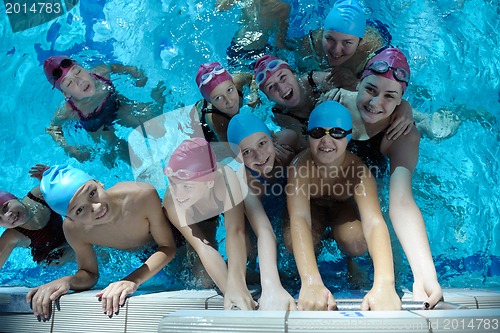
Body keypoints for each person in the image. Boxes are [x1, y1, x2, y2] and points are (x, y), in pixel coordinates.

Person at [328, 48, 443, 308]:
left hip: (367, 182)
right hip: (329, 184)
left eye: (389, 97)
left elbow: (402, 202)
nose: (375, 102)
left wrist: (425, 274)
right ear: (358, 83)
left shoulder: (402, 134)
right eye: (370, 90)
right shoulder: (336, 102)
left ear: (401, 100)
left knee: (370, 235)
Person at [286, 100, 401, 311]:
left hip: (343, 208)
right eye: (318, 132)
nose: (326, 140)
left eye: (337, 132)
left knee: (355, 241)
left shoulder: (358, 171)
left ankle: (350, 260)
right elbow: (299, 218)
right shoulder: (300, 168)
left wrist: (385, 284)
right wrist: (311, 281)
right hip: (314, 208)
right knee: (291, 241)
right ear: (308, 135)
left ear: (349, 136)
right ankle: (311, 266)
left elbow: (374, 222)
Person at [26, 164, 176, 321]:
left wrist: (131, 280)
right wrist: (67, 281)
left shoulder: (141, 195)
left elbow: (167, 246)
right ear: (70, 218)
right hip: (141, 253)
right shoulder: (73, 230)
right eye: (79, 210)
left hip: (173, 237)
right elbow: (90, 273)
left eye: (92, 193)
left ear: (99, 183)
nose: (96, 207)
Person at [162, 138, 256, 310]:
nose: (178, 193)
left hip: (211, 206)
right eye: (173, 183)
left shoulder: (226, 179)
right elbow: (202, 247)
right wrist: (230, 291)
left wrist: (238, 284)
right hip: (190, 220)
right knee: (202, 278)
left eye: (187, 187)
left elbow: (235, 231)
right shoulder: (173, 201)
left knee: (249, 251)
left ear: (209, 182)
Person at [253, 54, 412, 149]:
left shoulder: (314, 80)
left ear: (294, 74)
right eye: (271, 87)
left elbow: (366, 94)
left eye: (283, 77)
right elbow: (306, 145)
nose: (282, 88)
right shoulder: (280, 115)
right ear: (268, 97)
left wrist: (404, 106)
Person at [227, 113, 297, 310]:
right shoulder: (245, 183)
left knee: (294, 239)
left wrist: (294, 160)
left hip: (284, 202)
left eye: (262, 143)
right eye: (246, 152)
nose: (259, 156)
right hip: (254, 213)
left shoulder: (289, 140)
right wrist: (271, 286)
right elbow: (264, 230)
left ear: (273, 138)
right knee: (248, 251)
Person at [43, 56, 166, 165]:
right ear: (66, 94)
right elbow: (52, 128)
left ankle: (160, 101)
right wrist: (68, 147)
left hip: (118, 106)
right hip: (97, 126)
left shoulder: (101, 72)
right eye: (69, 84)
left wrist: (138, 75)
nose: (79, 81)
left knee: (153, 122)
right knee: (117, 148)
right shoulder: (68, 110)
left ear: (86, 69)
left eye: (78, 72)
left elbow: (126, 68)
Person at [291, 0, 390, 89]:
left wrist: (354, 82)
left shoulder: (371, 49)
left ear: (360, 42)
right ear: (322, 35)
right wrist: (318, 77)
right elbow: (297, 81)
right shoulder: (309, 45)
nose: (336, 50)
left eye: (347, 42)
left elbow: (382, 89)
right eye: (329, 39)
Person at [0, 164, 68, 269]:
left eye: (5, 207)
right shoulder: (13, 236)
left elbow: (74, 190)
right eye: (0, 219)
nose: (7, 216)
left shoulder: (39, 195)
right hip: (52, 263)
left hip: (70, 239)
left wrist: (53, 179)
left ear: (14, 197)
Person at [216, 0, 291, 69]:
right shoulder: (283, 8)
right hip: (260, 53)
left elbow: (219, 8)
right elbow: (279, 43)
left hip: (236, 47)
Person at [194, 61, 258, 143]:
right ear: (210, 101)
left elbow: (253, 76)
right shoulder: (217, 121)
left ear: (233, 84)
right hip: (200, 123)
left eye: (230, 90)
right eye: (218, 98)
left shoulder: (237, 81)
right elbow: (233, 151)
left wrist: (254, 92)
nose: (229, 101)